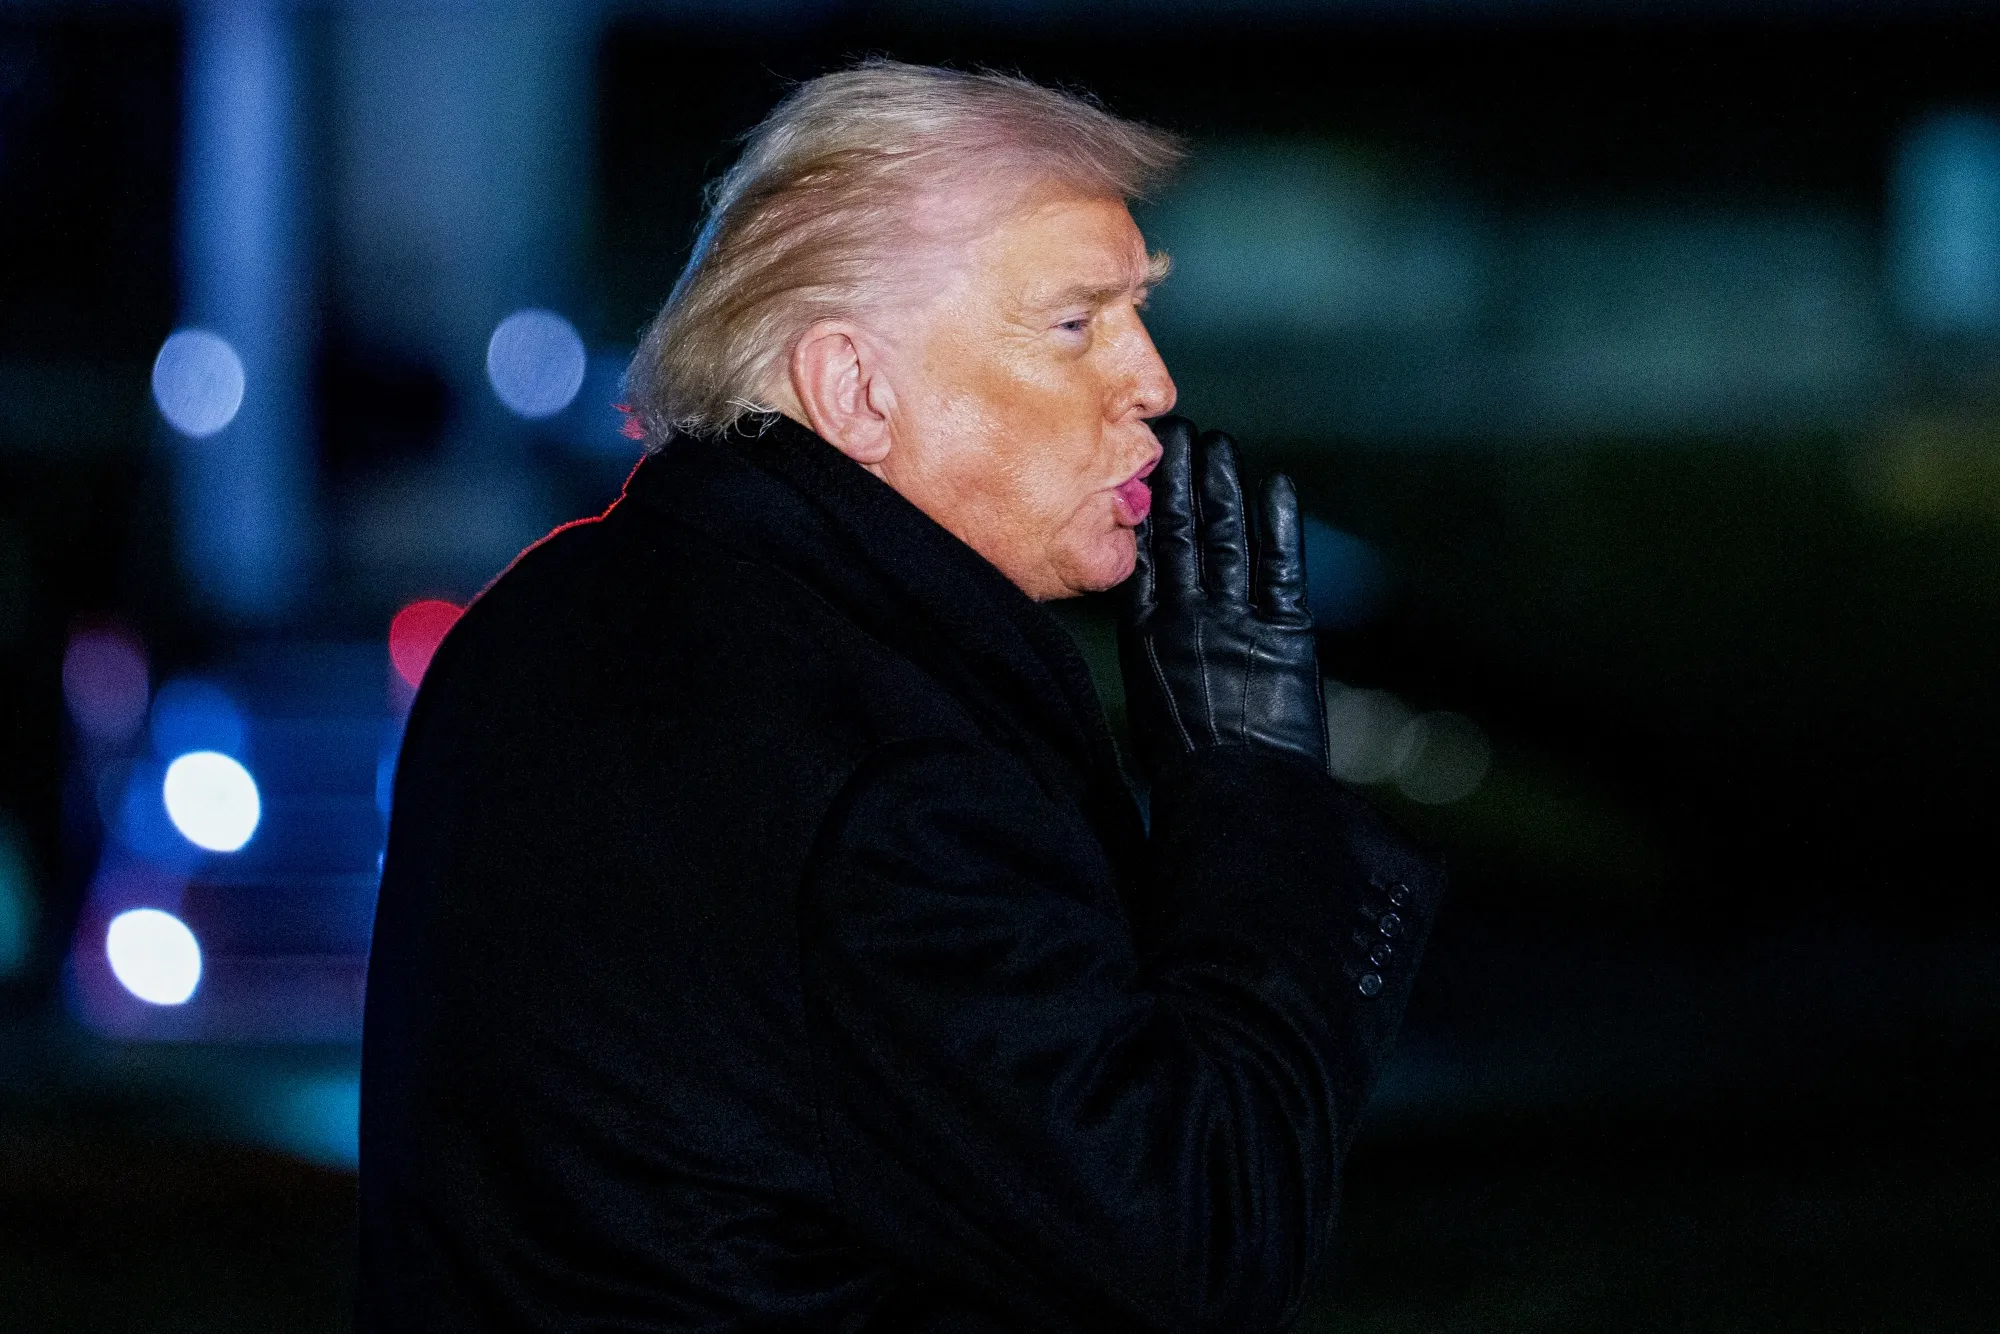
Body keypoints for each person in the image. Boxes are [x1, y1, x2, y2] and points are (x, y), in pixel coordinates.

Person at [358, 61, 1441, 1333]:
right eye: (1073, 324)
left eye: (1136, 310)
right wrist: (1250, 790)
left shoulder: (535, 624)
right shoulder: (890, 767)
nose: (1148, 381)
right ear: (855, 389)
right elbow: (1195, 1239)